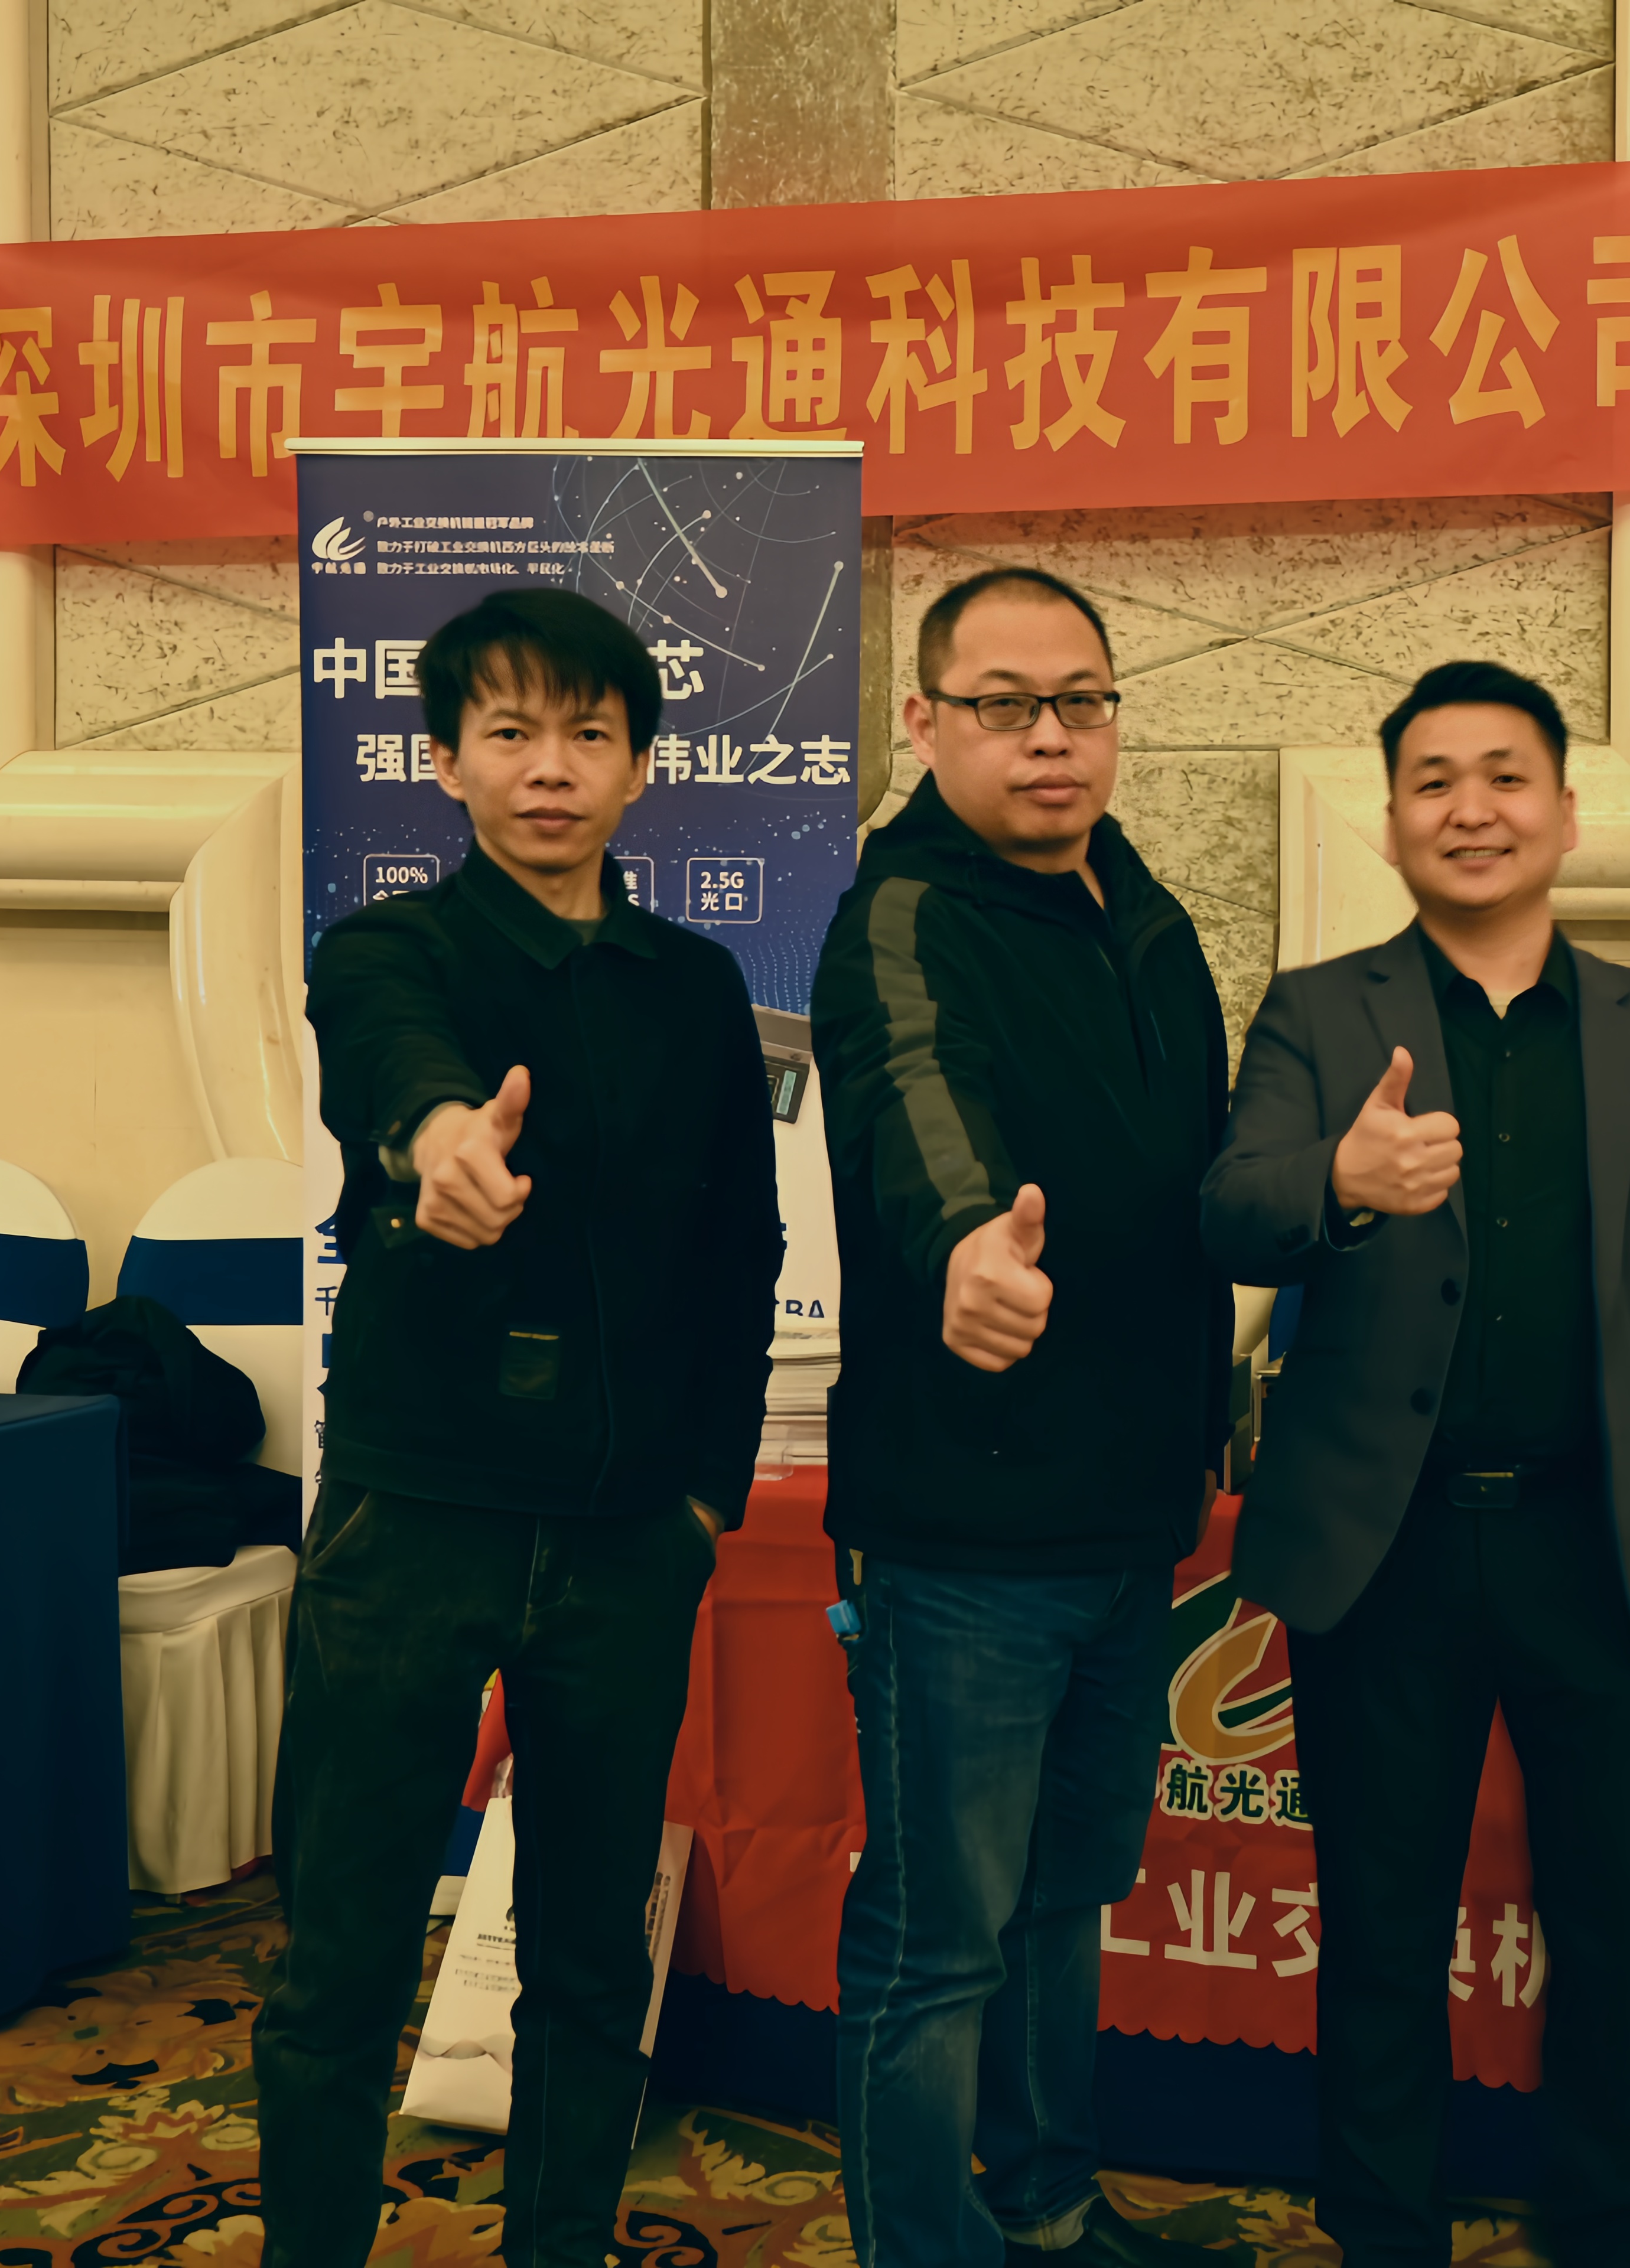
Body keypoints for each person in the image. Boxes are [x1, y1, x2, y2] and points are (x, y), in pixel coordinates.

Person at [1199, 660, 1630, 2268]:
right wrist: (1340, 1176)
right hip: (1386, 1552)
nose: (1472, 808)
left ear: (1568, 815)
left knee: (1612, 1923)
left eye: (1506, 776)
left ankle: (1602, 2227)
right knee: (1383, 1926)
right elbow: (1228, 1210)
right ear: (1390, 824)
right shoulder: (1319, 1013)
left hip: (1604, 1545)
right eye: (1434, 781)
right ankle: (1383, 2232)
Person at [259, 588, 783, 2268]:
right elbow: (395, 1068)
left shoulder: (697, 986)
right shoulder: (388, 952)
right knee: (344, 1948)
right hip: (415, 1517)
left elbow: (743, 1250)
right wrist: (438, 1144)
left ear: (638, 768)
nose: (549, 768)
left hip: (628, 1533)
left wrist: (703, 1496)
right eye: (509, 733)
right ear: (446, 762)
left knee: (586, 1956)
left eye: (587, 735)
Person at [808, 565, 1232, 2268]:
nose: (1050, 737)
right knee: (940, 1938)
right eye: (1004, 704)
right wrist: (968, 1243)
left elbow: (1200, 1175)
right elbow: (916, 1098)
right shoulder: (904, 912)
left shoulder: (1145, 912)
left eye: (1082, 700)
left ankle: (1049, 2213)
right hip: (964, 1535)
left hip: (1128, 1517)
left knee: (1065, 1903)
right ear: (926, 722)